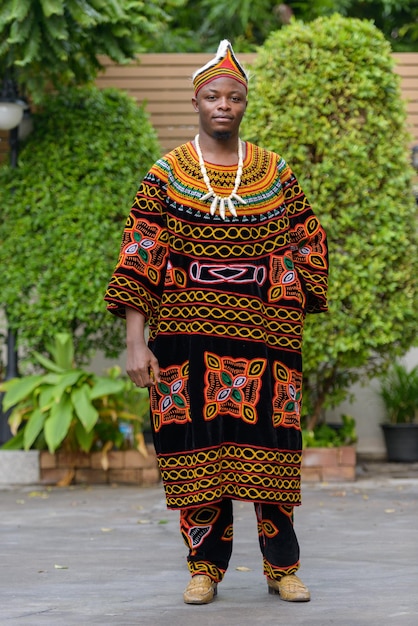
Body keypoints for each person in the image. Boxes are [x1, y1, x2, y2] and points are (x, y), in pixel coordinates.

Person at [104, 40, 328, 605]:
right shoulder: (167, 173)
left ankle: (283, 568)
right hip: (184, 342)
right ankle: (204, 567)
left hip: (264, 339)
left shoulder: (274, 171)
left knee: (271, 451)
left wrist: (284, 290)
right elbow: (141, 252)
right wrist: (135, 341)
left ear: (244, 103)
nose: (223, 105)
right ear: (197, 102)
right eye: (212, 96)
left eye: (233, 96)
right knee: (194, 451)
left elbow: (309, 239)